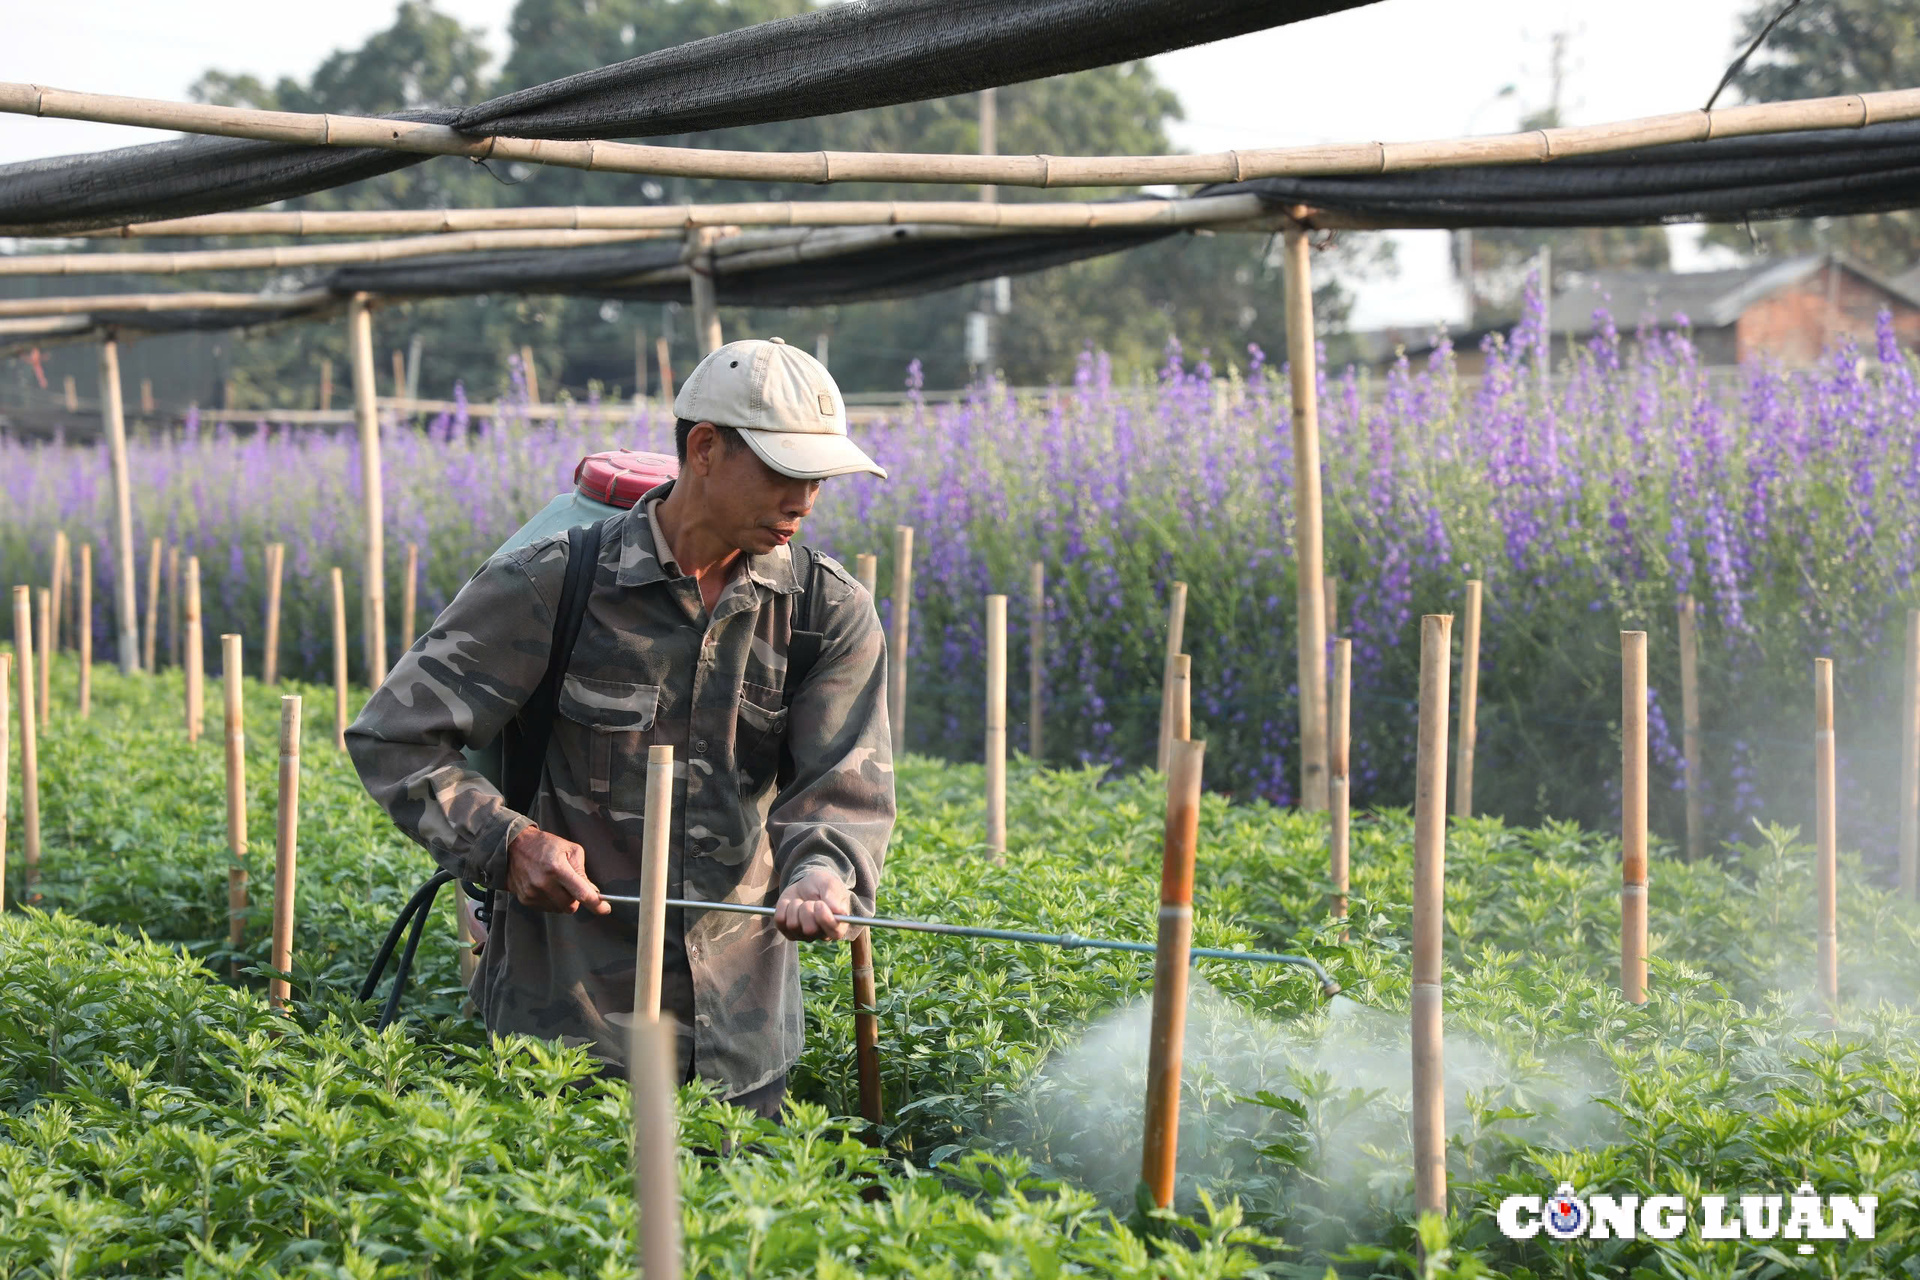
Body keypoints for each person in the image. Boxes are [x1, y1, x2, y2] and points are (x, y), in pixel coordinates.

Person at [346, 336, 894, 1119]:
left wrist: (824, 874)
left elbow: (842, 787)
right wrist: (507, 843)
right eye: (784, 472)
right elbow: (394, 735)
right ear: (704, 448)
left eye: (818, 479)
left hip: (740, 1046)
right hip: (563, 1041)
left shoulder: (824, 610)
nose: (805, 500)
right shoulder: (554, 582)